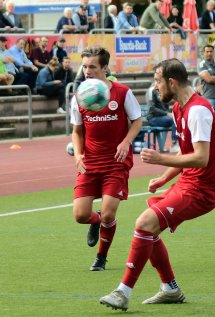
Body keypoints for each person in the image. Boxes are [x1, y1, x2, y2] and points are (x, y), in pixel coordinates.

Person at [99, 58, 215, 312]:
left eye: (157, 81)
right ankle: (170, 288)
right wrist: (165, 178)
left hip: (202, 190)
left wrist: (159, 159)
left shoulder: (198, 110)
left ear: (172, 82)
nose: (155, 87)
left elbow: (201, 157)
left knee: (144, 223)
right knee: (149, 228)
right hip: (188, 182)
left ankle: (123, 292)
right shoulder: (179, 108)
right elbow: (186, 152)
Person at [70, 46, 143, 272]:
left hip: (115, 162)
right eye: (84, 66)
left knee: (110, 213)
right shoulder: (79, 97)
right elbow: (77, 130)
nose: (87, 71)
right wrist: (79, 154)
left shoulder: (122, 92)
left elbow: (138, 121)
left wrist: (126, 142)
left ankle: (101, 257)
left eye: (92, 66)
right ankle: (96, 219)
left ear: (104, 68)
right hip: (90, 162)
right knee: (80, 215)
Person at [147, 87, 179, 153]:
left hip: (162, 117)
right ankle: (174, 143)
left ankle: (176, 143)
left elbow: (166, 107)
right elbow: (152, 108)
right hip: (153, 118)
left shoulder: (164, 91)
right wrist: (166, 113)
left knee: (176, 118)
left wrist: (169, 112)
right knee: (173, 119)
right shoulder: (152, 91)